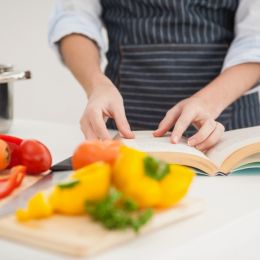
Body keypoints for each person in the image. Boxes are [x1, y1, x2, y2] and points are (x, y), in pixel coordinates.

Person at [49, 0, 260, 151]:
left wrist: (208, 102)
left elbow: (255, 39)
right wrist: (96, 85)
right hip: (127, 127)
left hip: (231, 123)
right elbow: (74, 16)